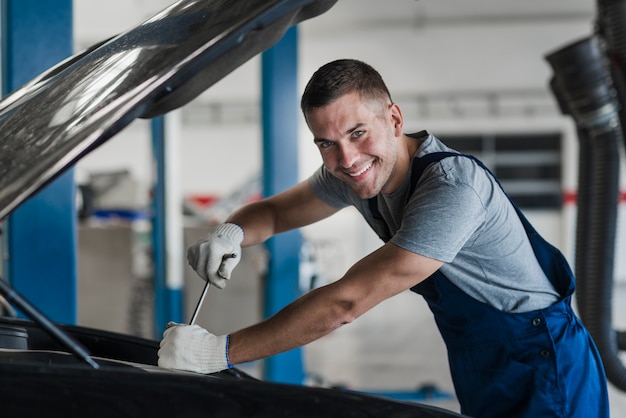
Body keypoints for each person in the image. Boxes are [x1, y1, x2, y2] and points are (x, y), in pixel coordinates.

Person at [158, 59, 609, 418]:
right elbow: (275, 212)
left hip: (544, 365)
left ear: (393, 118)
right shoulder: (353, 172)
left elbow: (345, 303)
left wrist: (219, 351)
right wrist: (232, 231)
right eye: (325, 143)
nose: (346, 158)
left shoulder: (452, 188)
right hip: (483, 363)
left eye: (357, 133)